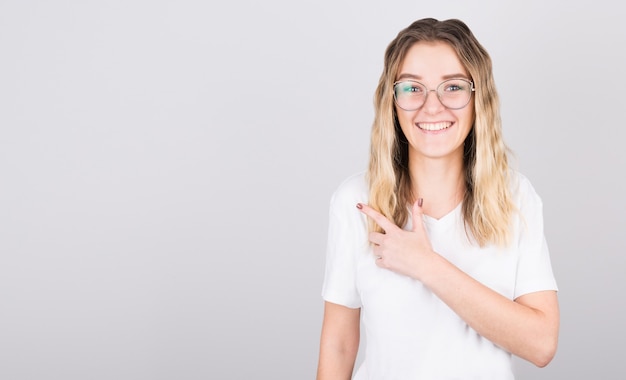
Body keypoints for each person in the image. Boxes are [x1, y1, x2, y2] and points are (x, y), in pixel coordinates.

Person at [316, 18, 559, 379]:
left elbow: (541, 344)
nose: (432, 107)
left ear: (479, 98)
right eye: (413, 88)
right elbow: (338, 344)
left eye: (453, 87)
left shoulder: (515, 197)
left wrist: (427, 266)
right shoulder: (356, 201)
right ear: (392, 101)